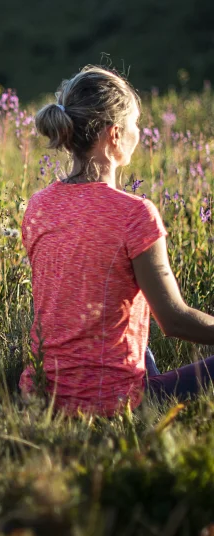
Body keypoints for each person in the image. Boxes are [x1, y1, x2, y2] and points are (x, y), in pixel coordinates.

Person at [19, 65, 214, 415]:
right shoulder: (134, 214)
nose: (139, 133)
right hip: (113, 401)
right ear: (115, 134)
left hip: (41, 395)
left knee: (130, 327)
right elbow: (175, 321)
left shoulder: (38, 205)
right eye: (136, 125)